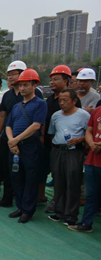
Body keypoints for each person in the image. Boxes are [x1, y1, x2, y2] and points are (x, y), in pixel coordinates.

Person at [0, 60, 43, 209]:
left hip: (28, 141)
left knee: (28, 174)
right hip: (9, 139)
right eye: (8, 74)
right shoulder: (8, 96)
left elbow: (38, 123)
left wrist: (17, 140)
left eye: (13, 74)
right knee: (10, 171)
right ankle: (9, 199)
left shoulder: (37, 96)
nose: (10, 77)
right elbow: (4, 117)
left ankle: (27, 207)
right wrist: (0, 135)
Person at [5, 69, 48, 223]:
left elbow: (36, 126)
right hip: (15, 147)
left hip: (30, 146)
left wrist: (15, 140)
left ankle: (28, 211)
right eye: (21, 85)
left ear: (34, 85)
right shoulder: (16, 106)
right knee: (16, 177)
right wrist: (11, 141)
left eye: (26, 85)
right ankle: (21, 206)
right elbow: (8, 125)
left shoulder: (40, 104)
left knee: (31, 178)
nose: (22, 88)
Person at [47, 89, 89, 226]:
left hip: (74, 152)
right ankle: (59, 211)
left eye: (65, 100)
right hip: (58, 150)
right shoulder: (56, 116)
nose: (62, 103)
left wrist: (79, 140)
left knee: (72, 182)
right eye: (60, 100)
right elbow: (52, 133)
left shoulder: (83, 115)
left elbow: (89, 133)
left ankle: (71, 215)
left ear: (74, 101)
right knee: (58, 181)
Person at [43, 65, 82, 213]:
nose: (52, 82)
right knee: (55, 175)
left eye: (56, 79)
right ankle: (56, 203)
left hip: (71, 148)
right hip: (52, 144)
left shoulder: (74, 101)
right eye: (51, 80)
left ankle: (68, 209)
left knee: (70, 178)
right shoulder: (50, 99)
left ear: (66, 81)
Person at [68, 104, 101, 232]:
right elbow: (89, 131)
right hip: (92, 160)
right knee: (90, 194)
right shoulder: (97, 111)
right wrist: (92, 143)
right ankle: (86, 223)